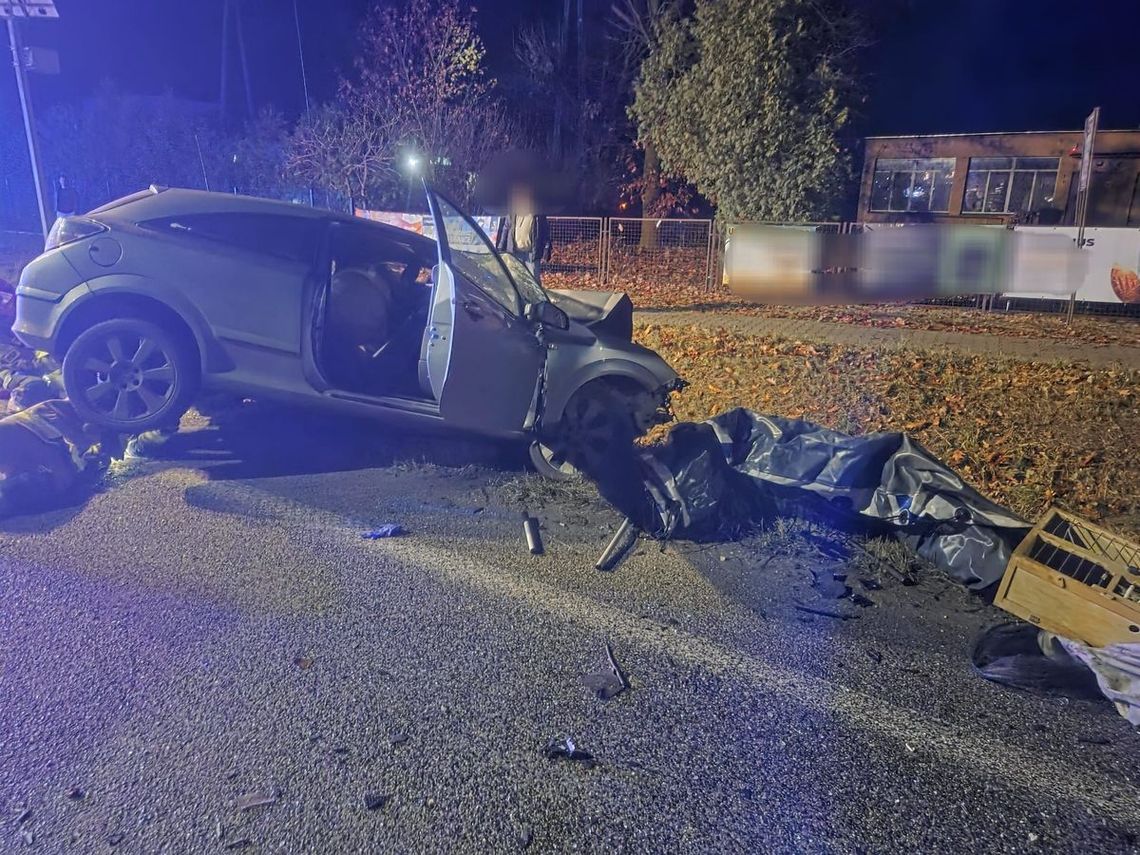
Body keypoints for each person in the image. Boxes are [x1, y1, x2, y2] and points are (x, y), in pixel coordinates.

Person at [497, 182, 551, 286]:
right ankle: (519, 302)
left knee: (534, 283)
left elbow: (545, 231)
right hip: (514, 252)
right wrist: (500, 247)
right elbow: (506, 228)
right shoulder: (513, 212)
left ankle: (536, 302)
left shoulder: (538, 213)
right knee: (516, 281)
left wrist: (546, 248)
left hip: (532, 254)